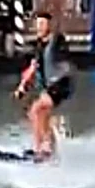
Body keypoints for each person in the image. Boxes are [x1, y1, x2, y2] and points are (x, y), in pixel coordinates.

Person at [13, 11, 74, 161]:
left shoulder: (57, 40)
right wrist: (22, 86)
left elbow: (58, 47)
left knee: (36, 109)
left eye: (42, 24)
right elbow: (33, 67)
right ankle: (49, 149)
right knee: (38, 115)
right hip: (50, 86)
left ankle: (41, 149)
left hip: (61, 83)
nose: (39, 27)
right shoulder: (39, 46)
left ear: (49, 25)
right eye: (37, 24)